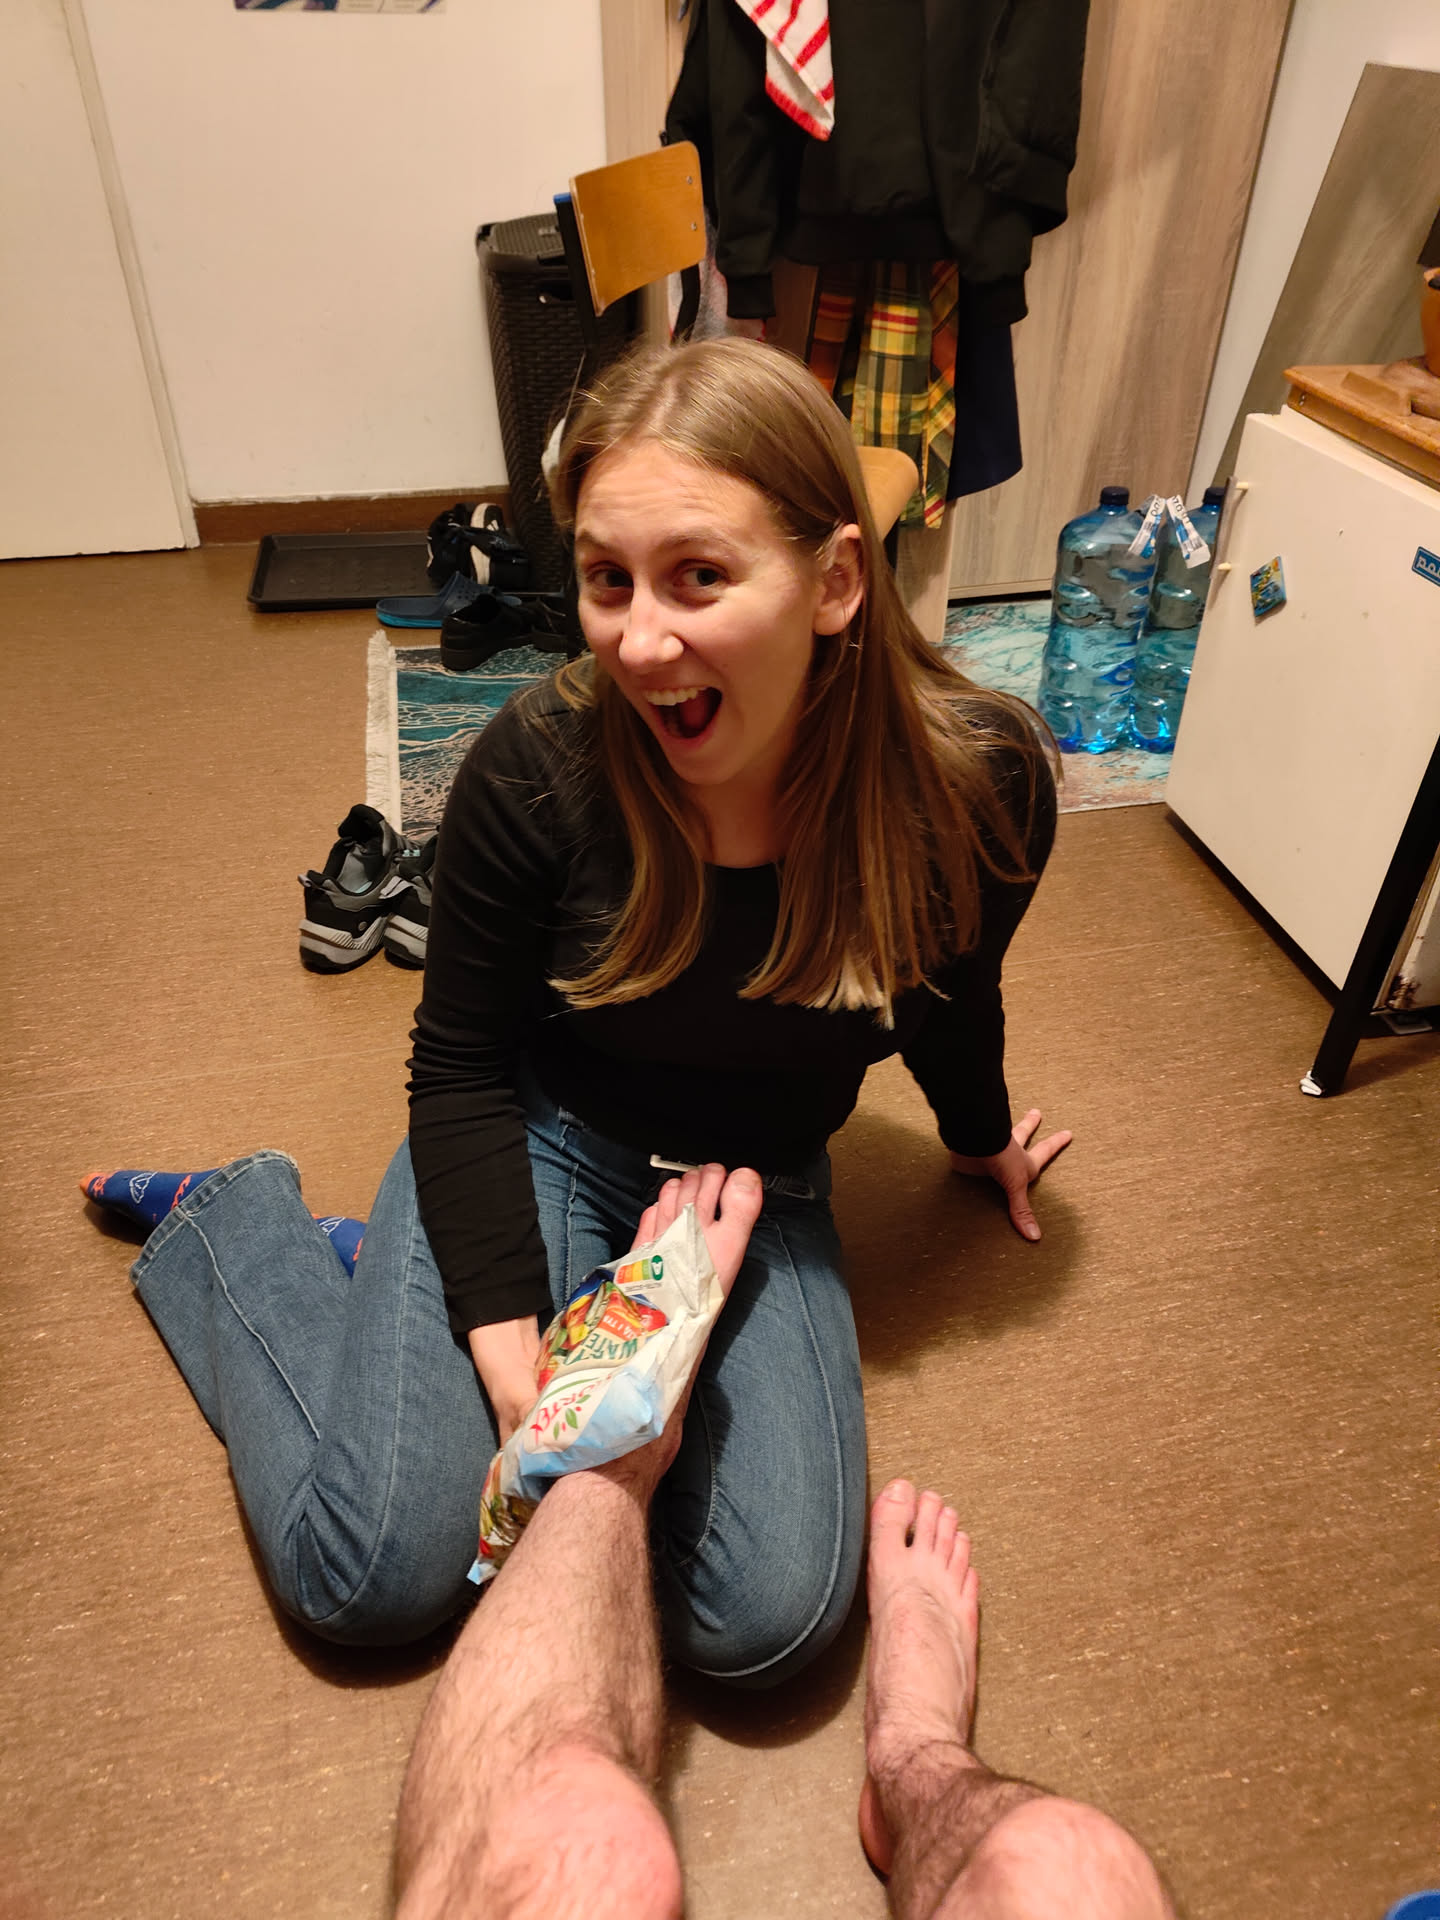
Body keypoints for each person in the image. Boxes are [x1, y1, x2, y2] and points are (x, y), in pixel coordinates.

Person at [84, 337, 1067, 1670]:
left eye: (699, 575)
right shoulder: (533, 767)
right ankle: (239, 1222)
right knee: (370, 1580)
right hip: (543, 1132)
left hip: (758, 1183)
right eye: (609, 579)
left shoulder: (981, 786)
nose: (639, 640)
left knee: (768, 1628)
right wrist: (508, 1357)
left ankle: (402, 1298)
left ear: (837, 580)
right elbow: (459, 1067)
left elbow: (956, 987)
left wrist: (978, 1137)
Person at [394, 1164, 1172, 1920]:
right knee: (1061, 1862)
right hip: (551, 1133)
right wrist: (515, 1377)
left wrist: (976, 1127)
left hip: (758, 1158)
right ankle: (920, 1758)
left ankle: (614, 1450)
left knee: (592, 1831)